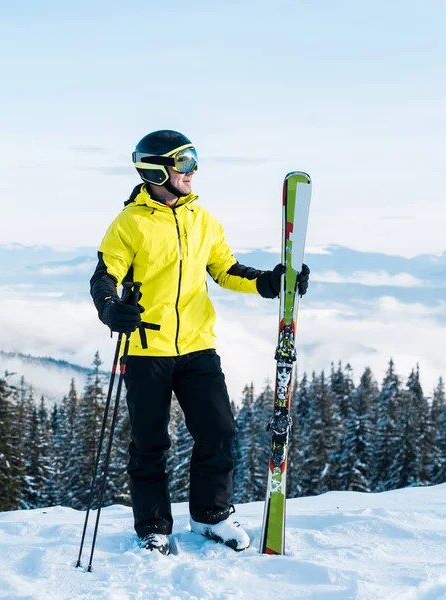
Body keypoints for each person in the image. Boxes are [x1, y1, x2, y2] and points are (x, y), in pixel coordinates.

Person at [90, 130, 309, 556]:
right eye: (184, 162)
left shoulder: (202, 219)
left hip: (196, 346)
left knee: (219, 431)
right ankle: (153, 526)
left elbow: (226, 269)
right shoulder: (129, 225)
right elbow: (105, 277)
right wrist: (111, 309)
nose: (192, 171)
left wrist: (271, 282)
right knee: (150, 444)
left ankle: (211, 516)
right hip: (146, 351)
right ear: (157, 169)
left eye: (192, 161)